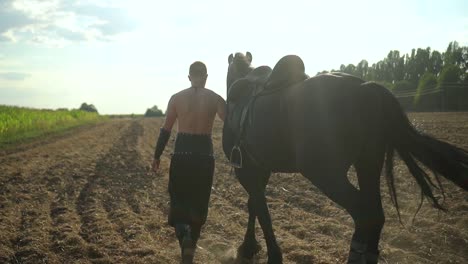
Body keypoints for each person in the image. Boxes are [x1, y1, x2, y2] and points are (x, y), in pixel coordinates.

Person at [151, 61, 226, 263]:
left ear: (189, 76)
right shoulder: (216, 99)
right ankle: (190, 247)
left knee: (178, 201)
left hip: (181, 154)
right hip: (204, 156)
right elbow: (232, 124)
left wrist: (157, 155)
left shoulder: (176, 98)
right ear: (206, 77)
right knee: (199, 203)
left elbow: (165, 129)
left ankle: (183, 233)